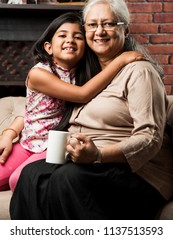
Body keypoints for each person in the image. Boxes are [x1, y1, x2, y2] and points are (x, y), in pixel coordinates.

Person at [10, 0, 173, 220]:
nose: (99, 31)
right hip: (90, 165)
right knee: (30, 174)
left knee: (66, 178)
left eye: (108, 23)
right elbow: (38, 106)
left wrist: (98, 155)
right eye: (92, 25)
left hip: (139, 173)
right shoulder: (88, 74)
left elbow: (150, 138)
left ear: (125, 30)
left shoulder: (139, 71)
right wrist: (11, 130)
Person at [0, 12, 143, 192]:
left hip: (55, 145)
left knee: (18, 180)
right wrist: (120, 61)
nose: (70, 40)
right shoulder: (39, 74)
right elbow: (82, 95)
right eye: (62, 35)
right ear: (48, 47)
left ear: (85, 47)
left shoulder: (86, 76)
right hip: (27, 143)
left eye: (78, 37)